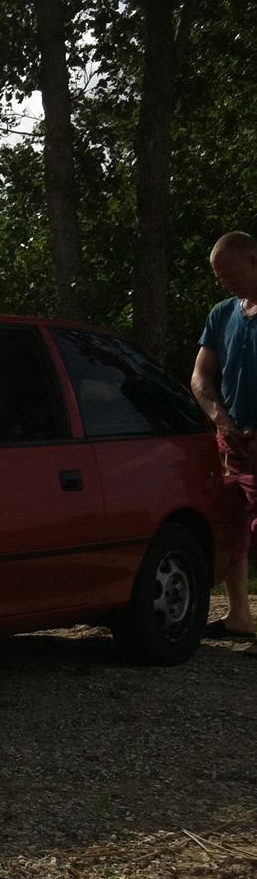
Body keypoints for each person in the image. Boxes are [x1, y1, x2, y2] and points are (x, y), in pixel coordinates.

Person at [191, 231, 257, 640]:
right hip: (233, 439)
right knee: (231, 525)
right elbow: (200, 376)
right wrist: (219, 418)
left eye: (230, 273)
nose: (225, 283)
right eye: (219, 277)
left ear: (253, 260)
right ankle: (239, 617)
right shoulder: (221, 315)